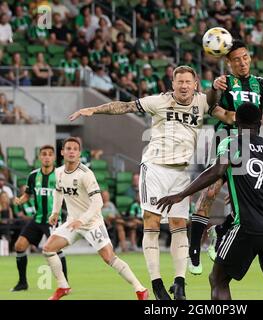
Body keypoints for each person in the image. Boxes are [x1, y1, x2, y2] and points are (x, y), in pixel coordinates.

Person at [68, 65, 236, 300]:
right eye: (180, 82)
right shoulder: (158, 101)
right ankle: (157, 285)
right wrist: (94, 110)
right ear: (173, 84)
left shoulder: (203, 102)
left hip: (180, 172)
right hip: (155, 168)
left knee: (179, 224)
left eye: (188, 82)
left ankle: (179, 283)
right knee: (152, 222)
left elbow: (229, 116)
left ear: (196, 84)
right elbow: (125, 106)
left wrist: (253, 117)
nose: (184, 86)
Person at [157, 102, 263, 300]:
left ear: (237, 122)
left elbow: (216, 171)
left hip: (248, 225)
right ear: (259, 123)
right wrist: (244, 187)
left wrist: (181, 194)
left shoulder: (232, 142)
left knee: (218, 279)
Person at [188, 40, 263, 276]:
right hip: (226, 141)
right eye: (236, 59)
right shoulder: (225, 81)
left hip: (251, 146)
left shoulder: (262, 83)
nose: (242, 62)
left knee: (253, 197)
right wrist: (214, 89)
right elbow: (210, 107)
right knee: (210, 193)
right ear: (228, 63)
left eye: (245, 57)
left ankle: (221, 232)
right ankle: (194, 253)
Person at [42, 137, 148, 300]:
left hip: (91, 223)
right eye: (68, 148)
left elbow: (98, 202)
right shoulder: (59, 172)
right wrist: (55, 212)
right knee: (48, 249)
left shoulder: (86, 174)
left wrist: (82, 220)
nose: (71, 151)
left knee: (109, 258)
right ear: (62, 152)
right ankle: (63, 287)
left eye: (75, 149)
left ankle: (140, 289)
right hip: (72, 223)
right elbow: (58, 191)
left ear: (79, 154)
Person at [11, 145, 68, 292]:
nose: (47, 157)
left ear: (54, 157)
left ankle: (65, 284)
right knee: (19, 246)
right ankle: (22, 283)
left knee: (56, 250)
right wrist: (20, 200)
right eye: (44, 154)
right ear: (39, 157)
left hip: (53, 219)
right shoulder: (33, 176)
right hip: (37, 218)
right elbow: (28, 194)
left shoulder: (61, 175)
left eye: (50, 154)